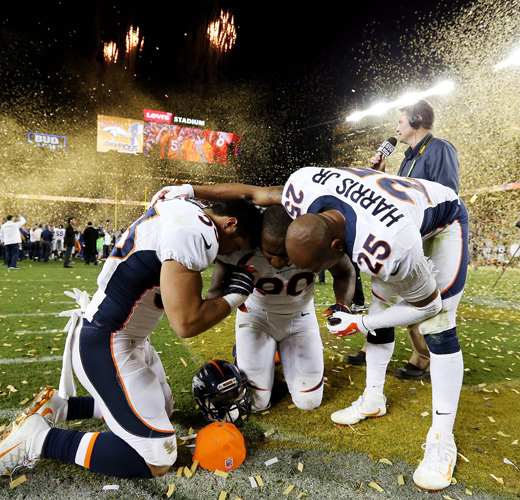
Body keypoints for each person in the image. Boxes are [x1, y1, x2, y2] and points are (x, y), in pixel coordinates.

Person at [149, 167, 467, 493]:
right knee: (380, 306)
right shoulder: (301, 189)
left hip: (436, 221)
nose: (280, 265)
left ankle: (442, 439)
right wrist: (190, 188)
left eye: (310, 267)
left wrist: (357, 321)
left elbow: (429, 306)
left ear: (336, 246)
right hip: (264, 313)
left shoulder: (381, 247)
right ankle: (373, 398)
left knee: (439, 325)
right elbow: (252, 193)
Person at [0, 198, 262, 500]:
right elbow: (186, 323)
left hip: (123, 337)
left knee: (163, 409)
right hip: (107, 346)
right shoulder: (197, 233)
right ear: (229, 224)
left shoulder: (183, 207)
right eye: (236, 246)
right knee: (157, 458)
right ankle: (40, 439)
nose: (230, 254)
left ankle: (64, 407)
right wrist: (235, 296)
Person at [350, 99, 461, 378]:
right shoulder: (407, 159)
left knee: (423, 298)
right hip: (409, 238)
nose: (396, 128)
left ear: (415, 120)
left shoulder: (440, 148)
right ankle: (372, 347)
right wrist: (380, 175)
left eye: (400, 122)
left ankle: (423, 358)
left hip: (432, 238)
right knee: (384, 294)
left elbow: (447, 196)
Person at [207, 205, 353, 412]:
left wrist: (343, 305)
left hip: (301, 318)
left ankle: (274, 354)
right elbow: (212, 294)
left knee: (309, 402)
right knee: (256, 404)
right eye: (270, 253)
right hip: (256, 319)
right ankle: (246, 350)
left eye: (285, 254)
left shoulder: (313, 244)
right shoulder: (242, 249)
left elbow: (345, 271)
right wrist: (229, 291)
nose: (277, 262)